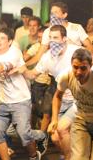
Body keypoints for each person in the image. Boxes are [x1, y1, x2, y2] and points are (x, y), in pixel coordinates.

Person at [12, 25, 80, 159]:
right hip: (61, 100)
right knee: (55, 138)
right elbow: (32, 74)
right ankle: (72, 155)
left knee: (62, 129)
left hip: (78, 101)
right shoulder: (47, 57)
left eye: (56, 38)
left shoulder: (76, 52)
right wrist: (22, 70)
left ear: (64, 38)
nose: (52, 41)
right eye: (50, 38)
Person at [0, 27, 46, 160]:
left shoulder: (14, 52)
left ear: (10, 41)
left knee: (24, 134)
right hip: (3, 101)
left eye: (3, 38)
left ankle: (38, 144)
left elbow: (2, 67)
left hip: (21, 101)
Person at [50, 48, 93, 159]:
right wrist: (54, 119)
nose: (78, 72)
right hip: (82, 121)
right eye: (75, 67)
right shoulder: (66, 76)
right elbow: (57, 96)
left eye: (83, 68)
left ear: (91, 66)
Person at [25, 2, 93, 67]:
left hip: (74, 69)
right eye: (51, 13)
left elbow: (91, 49)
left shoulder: (76, 28)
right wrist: (24, 66)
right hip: (55, 72)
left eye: (56, 12)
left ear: (64, 15)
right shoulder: (48, 31)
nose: (53, 15)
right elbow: (39, 55)